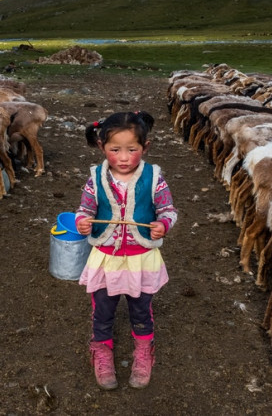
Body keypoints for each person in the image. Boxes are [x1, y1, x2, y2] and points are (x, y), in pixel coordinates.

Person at [74, 111, 177, 390]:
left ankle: (144, 351)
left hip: (141, 259)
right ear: (102, 147)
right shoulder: (96, 178)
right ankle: (101, 349)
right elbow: (84, 209)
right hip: (106, 259)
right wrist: (81, 222)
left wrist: (163, 224)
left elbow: (168, 210)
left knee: (141, 309)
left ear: (145, 147)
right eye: (114, 150)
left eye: (132, 150)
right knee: (103, 309)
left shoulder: (154, 178)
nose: (123, 157)